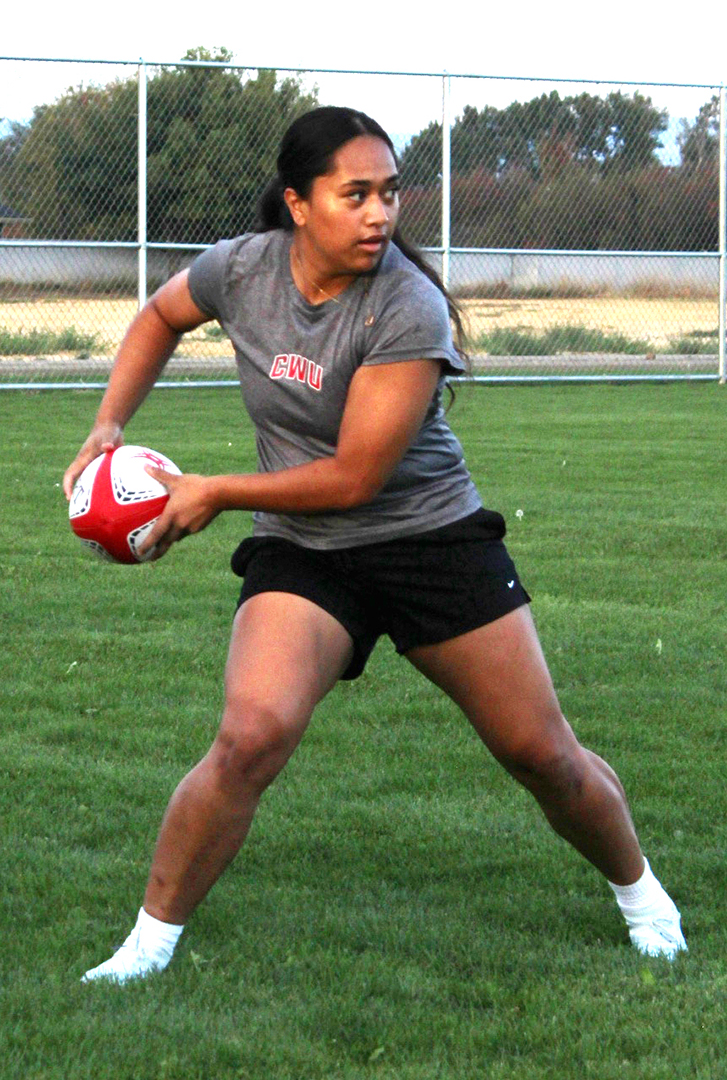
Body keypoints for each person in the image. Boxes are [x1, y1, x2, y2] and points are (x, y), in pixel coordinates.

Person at [64, 106, 686, 983]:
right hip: (303, 548)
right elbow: (160, 317)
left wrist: (217, 491)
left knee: (539, 752)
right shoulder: (240, 269)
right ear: (298, 204)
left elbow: (355, 476)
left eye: (389, 193)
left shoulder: (406, 305)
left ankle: (641, 896)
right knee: (249, 736)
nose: (378, 214)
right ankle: (146, 949)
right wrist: (108, 422)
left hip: (430, 539)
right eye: (353, 194)